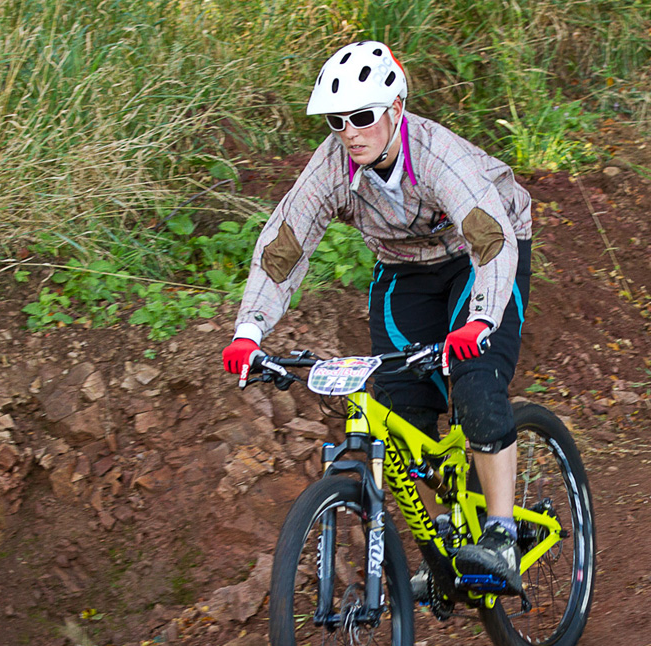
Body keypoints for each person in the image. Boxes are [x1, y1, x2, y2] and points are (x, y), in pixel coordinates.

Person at [222, 41, 532, 595]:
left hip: (483, 252)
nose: (349, 132)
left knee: (477, 383)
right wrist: (249, 330)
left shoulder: (437, 155)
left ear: (395, 109)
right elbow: (286, 241)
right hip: (405, 267)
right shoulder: (332, 164)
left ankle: (502, 535)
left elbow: (490, 238)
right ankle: (445, 544)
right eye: (337, 121)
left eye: (362, 117)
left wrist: (481, 319)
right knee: (402, 407)